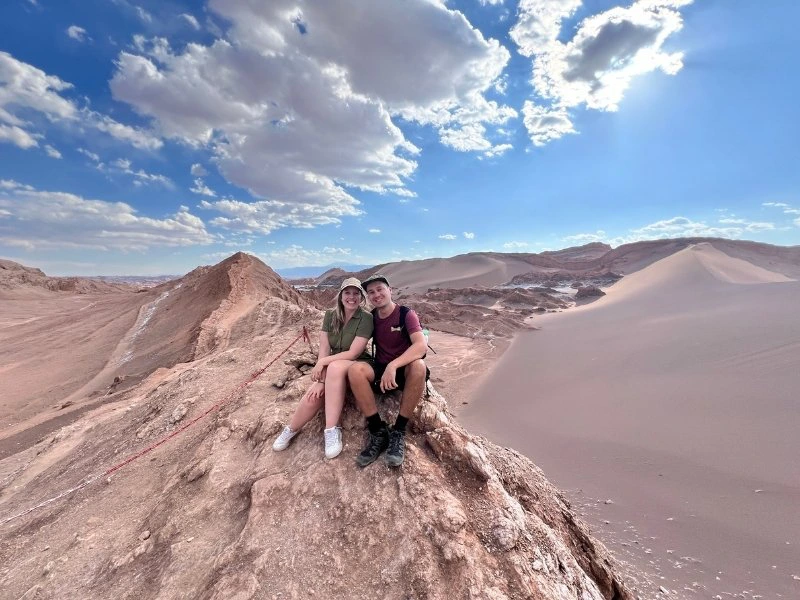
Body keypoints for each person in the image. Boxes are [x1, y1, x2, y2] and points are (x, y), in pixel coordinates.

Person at [272, 277, 373, 459]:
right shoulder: (329, 316)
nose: (351, 297)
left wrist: (322, 364)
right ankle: (291, 429)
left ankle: (332, 430)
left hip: (356, 364)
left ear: (361, 297)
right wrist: (320, 380)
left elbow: (353, 353)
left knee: (333, 366)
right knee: (313, 395)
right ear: (341, 295)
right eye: (347, 293)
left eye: (356, 293)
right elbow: (324, 349)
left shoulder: (366, 318)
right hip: (333, 366)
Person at [347, 274, 428, 468]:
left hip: (402, 368)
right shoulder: (371, 318)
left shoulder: (406, 314)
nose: (376, 295)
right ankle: (379, 432)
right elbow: (353, 336)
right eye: (371, 292)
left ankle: (398, 431)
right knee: (355, 370)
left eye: (380, 289)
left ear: (390, 290)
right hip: (379, 367)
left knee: (419, 365)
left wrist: (393, 366)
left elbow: (421, 346)